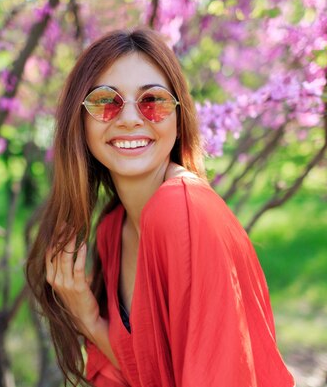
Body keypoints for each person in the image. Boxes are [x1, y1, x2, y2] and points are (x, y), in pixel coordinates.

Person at [25, 28, 295, 387]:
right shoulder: (112, 230)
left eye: (153, 100)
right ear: (81, 121)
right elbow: (146, 374)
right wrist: (88, 318)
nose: (131, 119)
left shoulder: (183, 209)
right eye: (107, 101)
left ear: (178, 116)